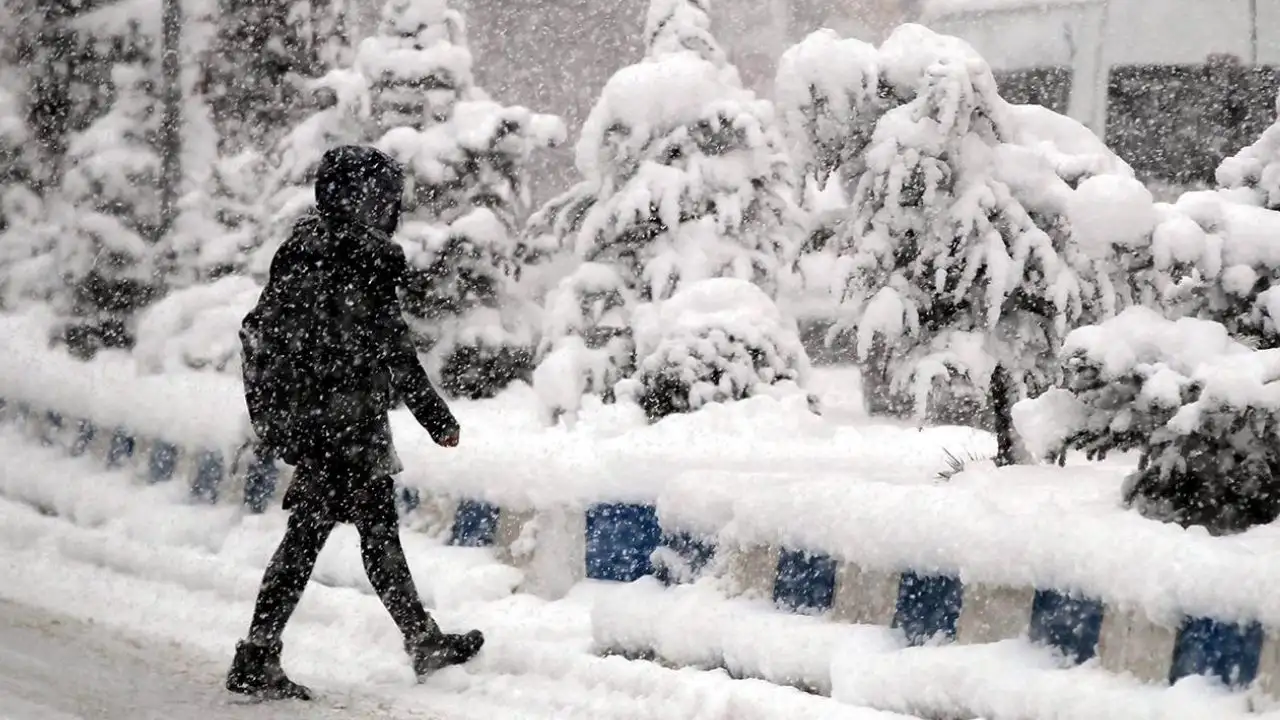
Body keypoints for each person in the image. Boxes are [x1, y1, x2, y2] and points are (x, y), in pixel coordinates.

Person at [227, 145, 484, 701]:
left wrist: (293, 415)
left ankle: (417, 640)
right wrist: (438, 420)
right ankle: (260, 653)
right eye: (383, 198)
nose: (389, 208)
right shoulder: (361, 261)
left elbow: (277, 335)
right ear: (361, 199)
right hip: (345, 426)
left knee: (354, 533)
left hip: (316, 423)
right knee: (333, 539)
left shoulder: (302, 250)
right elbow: (395, 352)